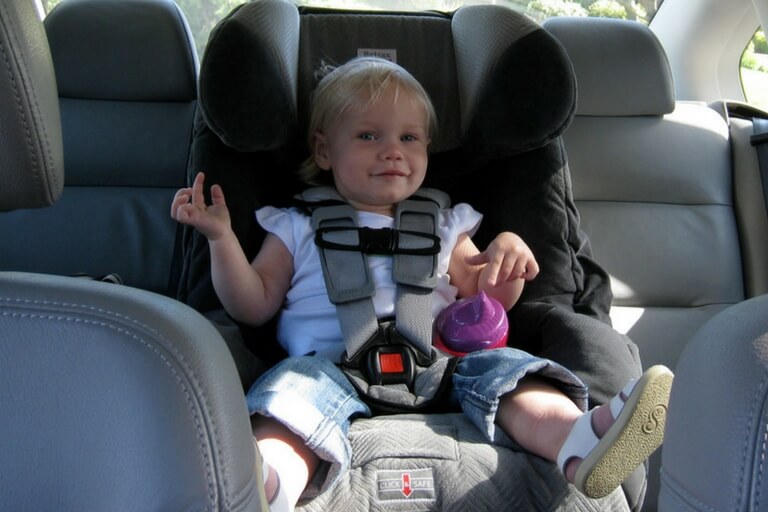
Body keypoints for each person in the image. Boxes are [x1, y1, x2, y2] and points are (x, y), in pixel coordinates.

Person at [171, 56, 673, 511]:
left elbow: (485, 298)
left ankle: (580, 439)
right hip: (326, 366)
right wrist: (222, 239)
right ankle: (270, 483)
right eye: (369, 136)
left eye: (409, 138)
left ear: (428, 148)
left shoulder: (445, 223)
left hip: (442, 364)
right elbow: (252, 305)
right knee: (285, 403)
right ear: (324, 149)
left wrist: (506, 258)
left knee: (513, 373)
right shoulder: (296, 225)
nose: (393, 151)